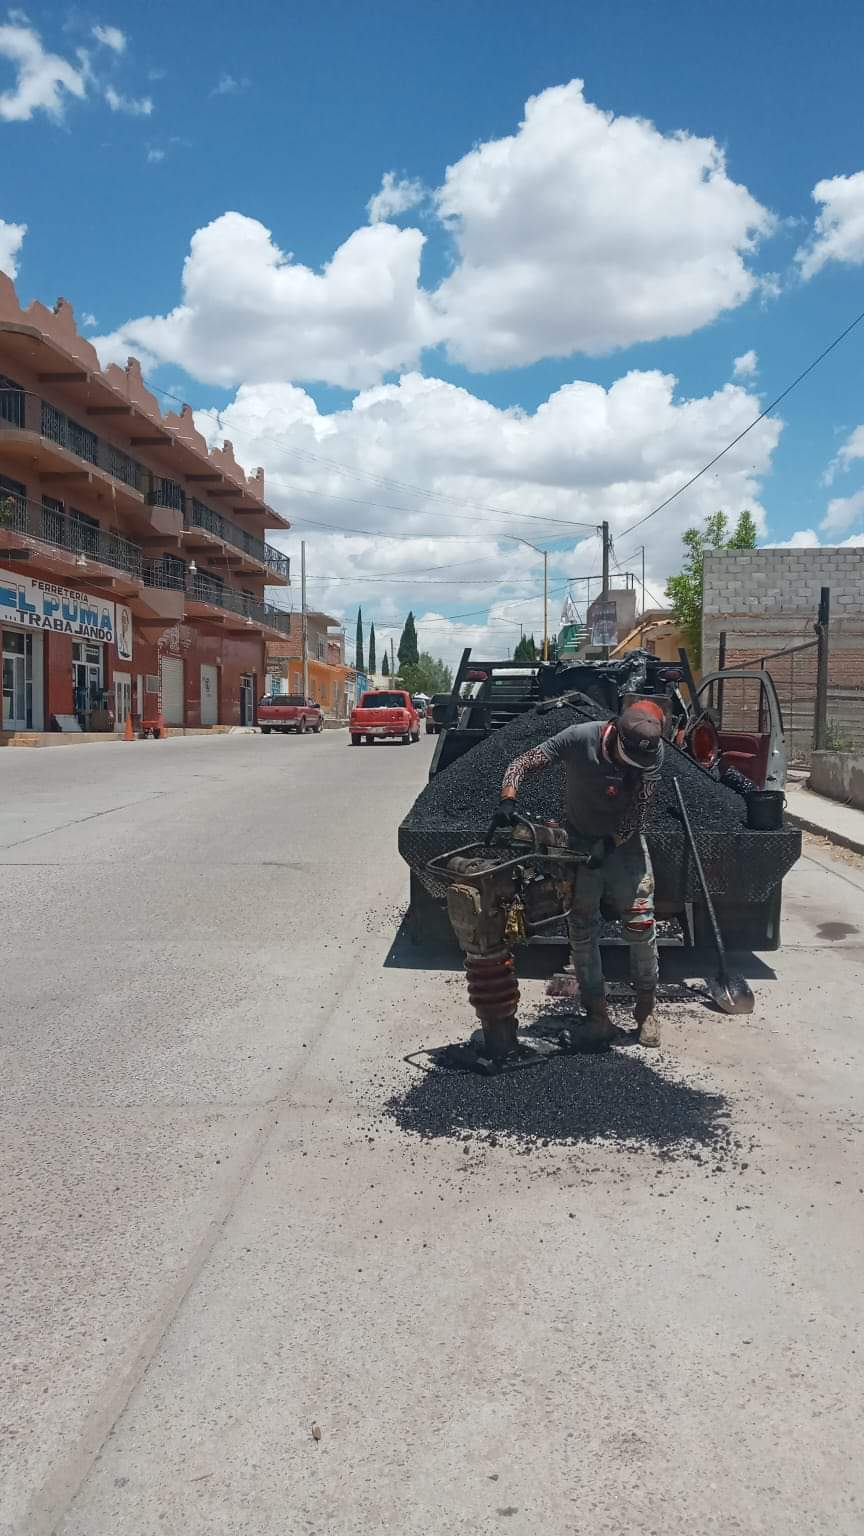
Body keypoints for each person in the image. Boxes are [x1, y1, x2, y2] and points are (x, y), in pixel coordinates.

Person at [488, 706, 664, 1047]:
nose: (630, 767)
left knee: (641, 925)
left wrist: (611, 842)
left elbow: (640, 810)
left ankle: (646, 1010)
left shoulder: (652, 753)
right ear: (615, 737)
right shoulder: (578, 737)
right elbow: (522, 763)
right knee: (582, 929)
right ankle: (597, 1016)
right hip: (579, 843)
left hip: (624, 846)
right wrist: (508, 799)